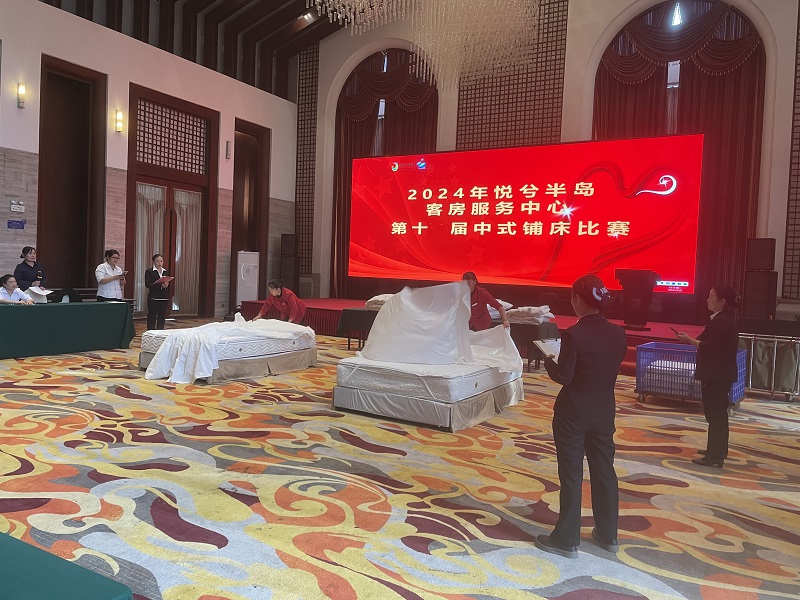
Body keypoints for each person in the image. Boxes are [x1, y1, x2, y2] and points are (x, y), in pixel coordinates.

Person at [535, 274, 627, 560]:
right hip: (604, 412)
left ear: (577, 299)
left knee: (572, 474)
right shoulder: (618, 334)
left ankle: (566, 538)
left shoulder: (574, 334)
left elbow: (565, 376)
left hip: (573, 414)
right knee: (604, 471)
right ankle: (608, 534)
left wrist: (549, 361)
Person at [675, 285, 740, 468]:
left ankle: (715, 456)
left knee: (715, 415)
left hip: (716, 374)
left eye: (711, 296)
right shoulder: (721, 318)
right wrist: (689, 339)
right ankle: (717, 450)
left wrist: (689, 340)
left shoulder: (722, 321)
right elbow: (706, 340)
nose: (707, 299)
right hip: (719, 373)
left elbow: (710, 346)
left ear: (722, 301)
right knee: (717, 414)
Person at [13, 246, 82, 302]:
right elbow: (17, 280)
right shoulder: (20, 267)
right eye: (30, 254)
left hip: (39, 290)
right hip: (26, 291)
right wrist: (31, 284)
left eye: (34, 253)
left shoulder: (39, 265)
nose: (33, 255)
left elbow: (44, 277)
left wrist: (42, 285)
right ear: (24, 255)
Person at [144, 254, 171, 330]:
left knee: (162, 316)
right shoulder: (150, 271)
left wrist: (166, 285)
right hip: (154, 297)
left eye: (161, 261)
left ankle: (160, 331)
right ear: (153, 262)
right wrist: (159, 285)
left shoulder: (165, 272)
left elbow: (168, 282)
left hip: (164, 297)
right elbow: (148, 284)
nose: (159, 263)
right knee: (152, 315)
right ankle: (150, 331)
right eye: (157, 261)